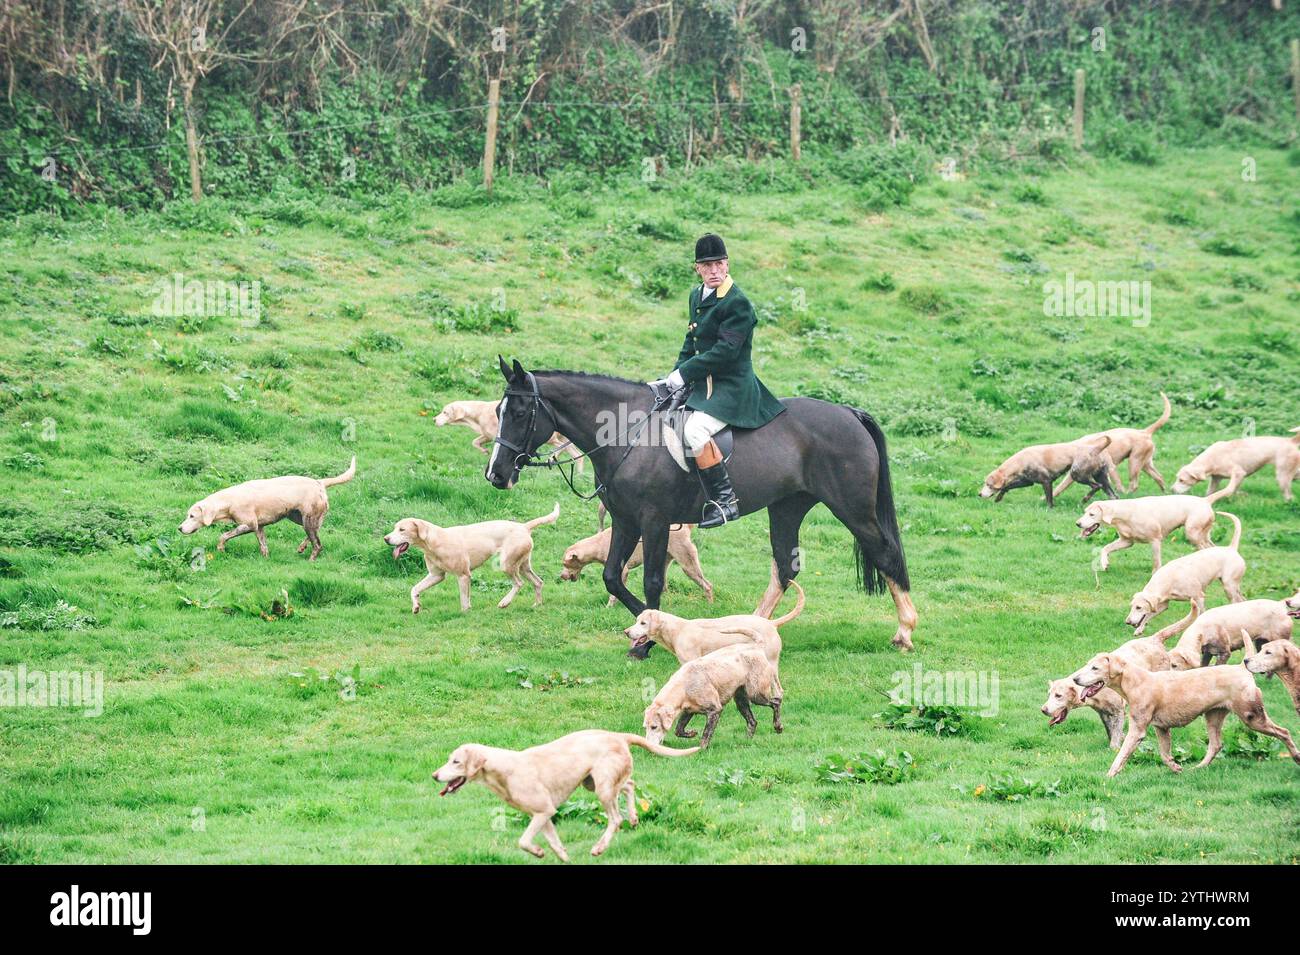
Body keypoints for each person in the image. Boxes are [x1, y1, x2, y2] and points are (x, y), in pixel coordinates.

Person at [648, 233, 786, 528]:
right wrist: (671, 378)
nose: (714, 270)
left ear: (727, 264)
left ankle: (725, 501)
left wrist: (684, 374)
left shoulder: (738, 304)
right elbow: (692, 341)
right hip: (702, 384)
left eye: (719, 264)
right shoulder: (697, 295)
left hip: (732, 388)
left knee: (695, 431)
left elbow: (725, 352)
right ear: (697, 268)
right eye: (707, 265)